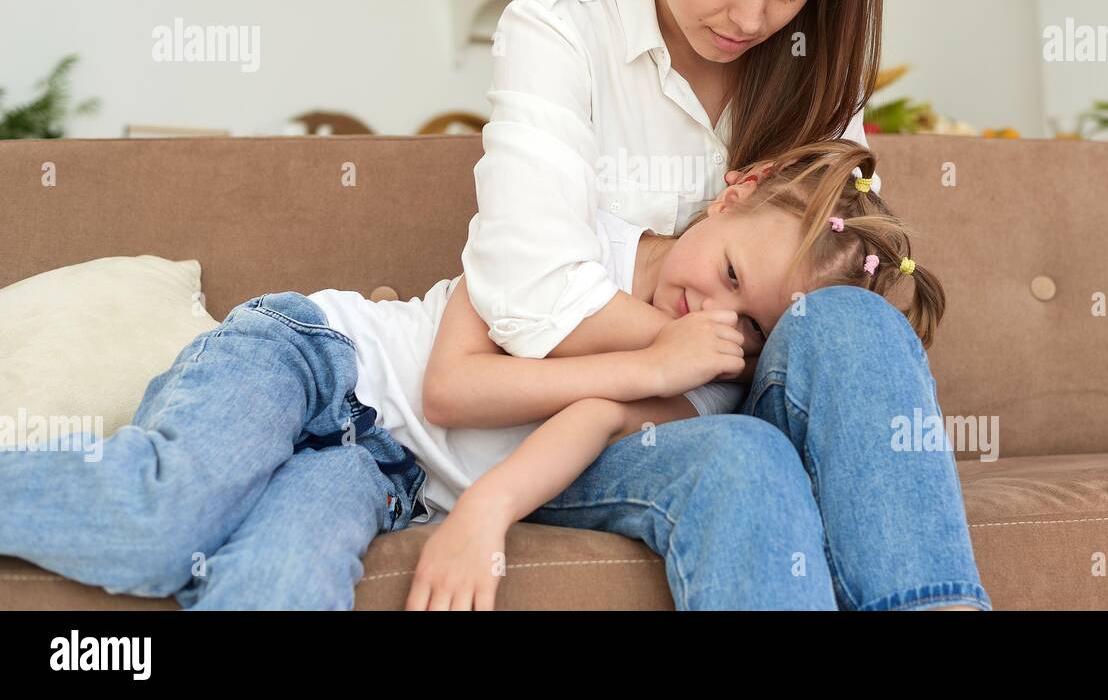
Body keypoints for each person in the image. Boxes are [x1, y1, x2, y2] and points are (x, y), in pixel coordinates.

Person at [0, 140, 945, 613]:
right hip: (318, 358)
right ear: (735, 190)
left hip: (378, 472)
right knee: (163, 518)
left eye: (751, 321)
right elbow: (454, 387)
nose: (715, 317)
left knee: (277, 584)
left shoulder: (706, 378)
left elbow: (585, 425)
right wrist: (648, 358)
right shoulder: (575, 233)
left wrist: (482, 511)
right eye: (731, 274)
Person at [458, 0, 990, 610]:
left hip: (751, 401)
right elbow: (527, 296)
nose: (749, 16)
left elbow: (845, 260)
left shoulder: (818, 74)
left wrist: (713, 334)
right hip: (599, 427)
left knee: (854, 321)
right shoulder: (562, 31)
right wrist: (700, 353)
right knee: (744, 453)